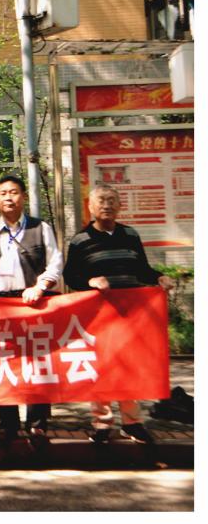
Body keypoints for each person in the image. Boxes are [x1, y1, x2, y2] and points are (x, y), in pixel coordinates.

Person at [64, 184, 174, 446]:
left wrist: (159, 277)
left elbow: (142, 269)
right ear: (90, 206)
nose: (107, 205)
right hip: (98, 317)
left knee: (129, 367)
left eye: (112, 200)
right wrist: (90, 281)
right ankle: (102, 423)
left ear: (120, 205)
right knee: (101, 367)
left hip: (130, 316)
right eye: (101, 200)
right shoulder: (80, 240)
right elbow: (70, 276)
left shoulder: (130, 234)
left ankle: (132, 423)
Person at [0, 174, 63, 457]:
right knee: (4, 365)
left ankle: (37, 424)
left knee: (36, 364)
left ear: (23, 196)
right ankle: (7, 424)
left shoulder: (40, 228)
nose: (9, 198)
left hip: (32, 304)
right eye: (3, 193)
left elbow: (55, 262)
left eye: (13, 192)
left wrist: (40, 286)